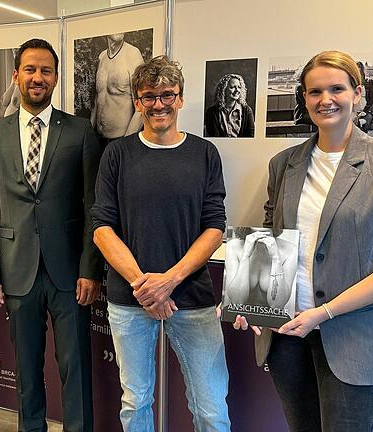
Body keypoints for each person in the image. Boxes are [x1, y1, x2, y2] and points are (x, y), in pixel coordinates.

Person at [233, 51, 373, 432]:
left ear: (358, 94)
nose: (326, 100)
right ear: (304, 99)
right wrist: (252, 301)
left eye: (337, 89)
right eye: (315, 91)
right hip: (287, 333)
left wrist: (324, 313)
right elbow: (272, 235)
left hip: (353, 338)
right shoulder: (284, 163)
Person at [92, 55, 231, 432]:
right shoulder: (117, 155)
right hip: (130, 297)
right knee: (135, 401)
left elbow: (215, 227)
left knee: (211, 406)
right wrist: (145, 285)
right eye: (149, 96)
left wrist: (169, 280)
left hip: (192, 297)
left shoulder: (204, 154)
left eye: (167, 94)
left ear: (181, 98)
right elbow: (102, 228)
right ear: (137, 101)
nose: (158, 104)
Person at [0, 38, 102, 432]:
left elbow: (93, 208)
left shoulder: (80, 132)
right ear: (16, 76)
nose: (37, 77)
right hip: (16, 271)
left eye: (46, 70)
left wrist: (90, 269)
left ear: (56, 77)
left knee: (75, 367)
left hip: (69, 274)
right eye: (30, 70)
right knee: (27, 369)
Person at [223, 227, 298, 310]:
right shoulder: (232, 247)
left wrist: (276, 258)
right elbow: (237, 301)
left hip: (273, 320)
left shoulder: (291, 250)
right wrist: (245, 255)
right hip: (237, 318)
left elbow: (277, 305)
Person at [90, 32, 145, 145]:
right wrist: (88, 135)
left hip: (121, 140)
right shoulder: (102, 56)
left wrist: (125, 145)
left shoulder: (133, 54)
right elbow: (97, 98)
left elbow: (141, 106)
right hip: (99, 138)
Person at [204, 73, 255, 137]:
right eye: (232, 87)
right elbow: (213, 137)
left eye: (239, 87)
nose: (237, 90)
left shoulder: (247, 110)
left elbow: (250, 136)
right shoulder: (211, 112)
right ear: (224, 90)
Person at [354, 61, 373, 133]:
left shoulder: (369, 82)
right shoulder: (351, 83)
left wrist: (364, 111)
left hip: (367, 112)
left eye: (359, 70)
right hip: (354, 112)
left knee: (365, 124)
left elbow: (371, 100)